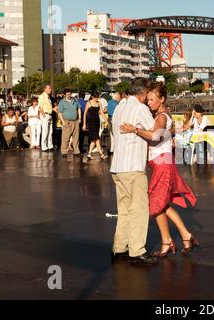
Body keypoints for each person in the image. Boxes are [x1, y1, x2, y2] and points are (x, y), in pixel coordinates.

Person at [121, 83, 198, 257]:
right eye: (147, 99)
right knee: (162, 204)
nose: (148, 102)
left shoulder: (162, 116)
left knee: (155, 204)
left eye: (152, 99)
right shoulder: (162, 115)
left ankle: (169, 240)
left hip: (163, 164)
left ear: (162, 99)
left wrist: (135, 129)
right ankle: (183, 236)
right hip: (162, 163)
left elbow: (155, 136)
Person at [110, 78, 158, 265]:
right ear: (142, 93)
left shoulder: (119, 108)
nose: (148, 98)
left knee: (124, 210)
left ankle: (119, 247)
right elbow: (154, 133)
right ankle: (137, 250)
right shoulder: (140, 108)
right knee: (138, 210)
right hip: (133, 166)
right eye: (147, 95)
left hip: (118, 166)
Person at [83, 92, 107, 160]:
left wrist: (106, 121)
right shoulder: (89, 103)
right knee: (96, 138)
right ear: (92, 97)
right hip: (91, 122)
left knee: (94, 139)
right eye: (96, 97)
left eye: (98, 97)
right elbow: (84, 114)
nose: (97, 98)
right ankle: (101, 154)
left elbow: (102, 113)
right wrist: (84, 124)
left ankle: (89, 154)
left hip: (97, 122)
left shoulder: (99, 103)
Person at [58, 88, 82, 158]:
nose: (69, 95)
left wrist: (80, 118)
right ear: (64, 94)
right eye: (67, 94)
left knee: (76, 137)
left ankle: (76, 151)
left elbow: (79, 109)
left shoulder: (75, 100)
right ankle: (64, 152)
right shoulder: (62, 102)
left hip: (75, 121)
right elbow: (60, 112)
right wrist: (63, 121)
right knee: (66, 138)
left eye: (70, 94)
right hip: (67, 121)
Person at [38, 85, 54, 152]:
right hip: (45, 115)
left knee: (50, 131)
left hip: (49, 115)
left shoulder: (48, 97)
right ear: (45, 89)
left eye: (50, 88)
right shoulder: (42, 96)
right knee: (45, 131)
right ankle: (44, 147)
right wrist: (44, 116)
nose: (51, 89)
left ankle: (50, 145)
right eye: (49, 88)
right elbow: (40, 108)